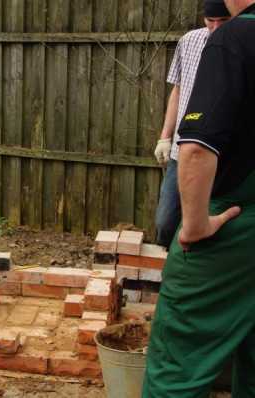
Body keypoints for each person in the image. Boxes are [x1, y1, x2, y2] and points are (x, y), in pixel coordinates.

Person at [143, 0, 255, 395]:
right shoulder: (198, 41)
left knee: (179, 362)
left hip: (234, 219)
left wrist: (194, 226)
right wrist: (164, 135)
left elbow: (196, 148)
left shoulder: (236, 37)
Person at [153, 0, 230, 248]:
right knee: (166, 222)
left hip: (221, 155)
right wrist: (164, 137)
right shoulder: (189, 42)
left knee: (212, 227)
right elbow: (178, 89)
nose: (216, 28)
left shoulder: (242, 45)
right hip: (181, 152)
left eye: (223, 21)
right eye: (210, 21)